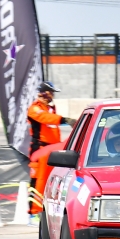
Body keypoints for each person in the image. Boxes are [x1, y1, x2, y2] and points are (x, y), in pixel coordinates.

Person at [27, 81, 76, 219]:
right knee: (39, 181)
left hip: (52, 150)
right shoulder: (35, 109)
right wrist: (65, 120)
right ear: (44, 92)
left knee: (52, 181)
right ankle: (34, 213)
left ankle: (47, 210)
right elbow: (45, 118)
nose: (53, 95)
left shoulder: (50, 109)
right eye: (51, 92)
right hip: (41, 150)